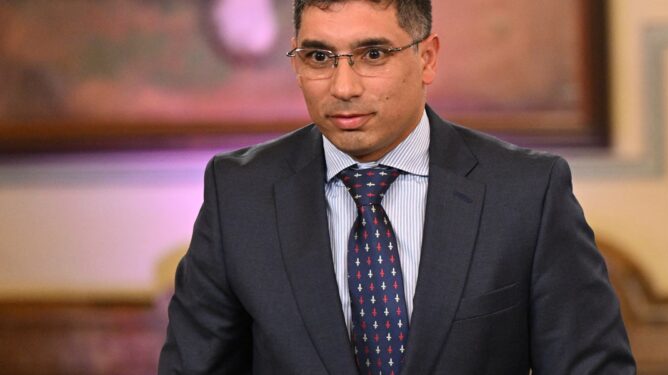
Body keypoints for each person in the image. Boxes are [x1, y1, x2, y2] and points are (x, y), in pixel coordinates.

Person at [158, 0, 636, 374]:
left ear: (426, 59)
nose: (343, 86)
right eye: (319, 57)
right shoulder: (240, 194)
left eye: (372, 54)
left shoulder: (527, 193)